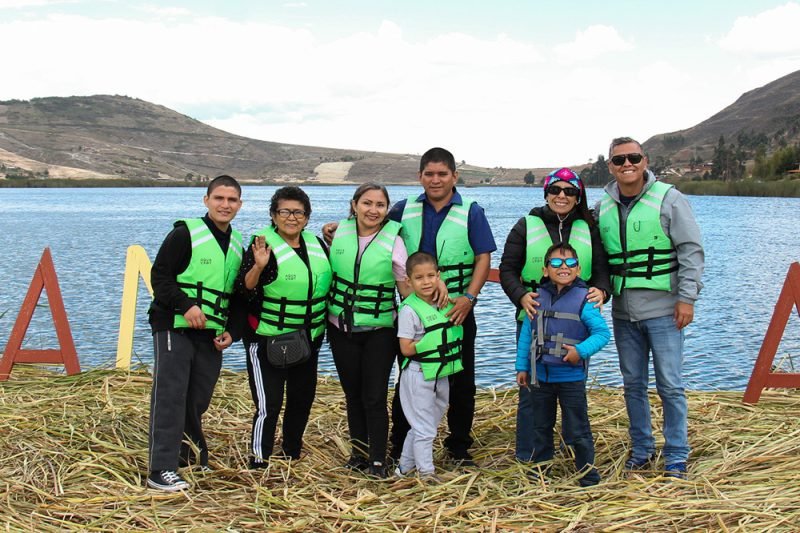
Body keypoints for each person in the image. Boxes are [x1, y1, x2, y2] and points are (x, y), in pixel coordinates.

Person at [324, 147, 495, 466]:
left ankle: (458, 447)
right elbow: (370, 227)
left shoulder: (471, 211)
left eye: (442, 173)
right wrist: (336, 227)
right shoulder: (404, 209)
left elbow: (484, 257)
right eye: (429, 174)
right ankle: (399, 443)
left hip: (456, 309)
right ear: (419, 177)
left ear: (454, 176)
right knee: (409, 377)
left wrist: (468, 298)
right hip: (415, 311)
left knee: (460, 380)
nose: (435, 180)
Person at [597, 137, 704, 479]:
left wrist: (687, 298)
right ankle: (642, 449)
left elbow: (691, 251)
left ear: (644, 160)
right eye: (618, 160)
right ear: (610, 166)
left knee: (670, 385)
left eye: (633, 157)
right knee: (632, 384)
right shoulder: (603, 208)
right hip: (624, 313)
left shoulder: (670, 199)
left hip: (665, 310)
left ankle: (676, 454)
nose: (626, 164)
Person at [500, 167, 611, 463]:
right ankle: (530, 456)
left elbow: (602, 268)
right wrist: (521, 296)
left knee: (572, 392)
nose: (562, 196)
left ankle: (575, 454)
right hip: (533, 319)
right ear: (546, 193)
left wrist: (602, 290)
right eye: (556, 190)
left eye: (570, 191)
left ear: (578, 197)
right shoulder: (526, 225)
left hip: (574, 323)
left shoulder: (590, 227)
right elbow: (508, 269)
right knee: (532, 392)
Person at [147, 175, 245, 492]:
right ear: (206, 200)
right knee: (171, 396)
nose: (225, 205)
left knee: (198, 397)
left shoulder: (238, 245)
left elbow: (238, 297)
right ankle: (160, 469)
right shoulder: (184, 234)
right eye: (219, 198)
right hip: (174, 325)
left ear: (239, 205)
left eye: (231, 200)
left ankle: (188, 455)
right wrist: (186, 305)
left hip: (210, 333)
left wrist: (233, 331)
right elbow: (160, 277)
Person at [237, 186, 332, 468]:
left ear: (307, 216)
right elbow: (244, 289)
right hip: (268, 339)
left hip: (307, 339)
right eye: (284, 211)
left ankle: (291, 452)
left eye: (298, 212)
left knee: (301, 400)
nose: (292, 218)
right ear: (273, 215)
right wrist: (258, 266)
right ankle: (258, 459)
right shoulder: (262, 246)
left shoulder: (316, 244)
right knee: (269, 405)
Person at [327, 183, 410, 478]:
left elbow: (405, 289)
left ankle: (378, 459)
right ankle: (358, 454)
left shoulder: (394, 241)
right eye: (367, 203)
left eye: (379, 205)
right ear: (354, 205)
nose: (373, 210)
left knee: (374, 396)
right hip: (340, 328)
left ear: (387, 210)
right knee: (352, 394)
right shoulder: (339, 233)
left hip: (380, 330)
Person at [515, 243, 610, 487]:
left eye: (569, 263)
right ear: (546, 270)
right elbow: (527, 333)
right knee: (540, 427)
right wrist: (521, 367)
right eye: (556, 263)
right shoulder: (536, 298)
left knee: (578, 429)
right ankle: (540, 471)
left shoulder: (585, 300)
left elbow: (602, 334)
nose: (563, 267)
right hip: (540, 377)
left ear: (578, 269)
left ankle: (587, 476)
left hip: (570, 378)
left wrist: (581, 351)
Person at [395, 252, 463, 480]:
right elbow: (405, 348)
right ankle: (427, 474)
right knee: (424, 428)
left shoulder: (442, 302)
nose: (426, 282)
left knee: (425, 424)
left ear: (438, 276)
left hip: (440, 372)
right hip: (418, 373)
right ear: (409, 281)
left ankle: (404, 469)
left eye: (431, 276)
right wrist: (428, 342)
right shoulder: (408, 310)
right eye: (419, 278)